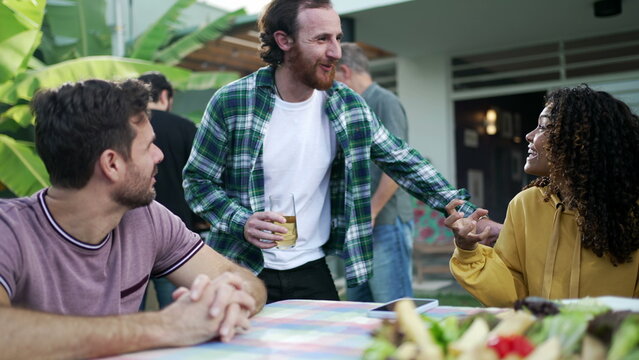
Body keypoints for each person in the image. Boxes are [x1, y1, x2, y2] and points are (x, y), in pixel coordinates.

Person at [183, 0, 499, 304]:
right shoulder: (232, 101)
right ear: (284, 41)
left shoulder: (346, 104)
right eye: (321, 39)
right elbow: (197, 182)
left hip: (310, 266)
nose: (335, 52)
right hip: (238, 264)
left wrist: (468, 213)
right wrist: (242, 221)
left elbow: (404, 161)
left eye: (337, 38)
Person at [0, 79, 267, 359]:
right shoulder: (10, 230)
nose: (159, 155)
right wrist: (167, 325)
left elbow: (244, 281)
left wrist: (226, 298)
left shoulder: (148, 219)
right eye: (149, 145)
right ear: (112, 164)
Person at [445, 85, 639, 307]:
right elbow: (511, 296)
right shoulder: (525, 205)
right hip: (545, 336)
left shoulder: (632, 210)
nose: (529, 136)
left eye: (543, 127)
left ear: (580, 140)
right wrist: (468, 251)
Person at [334, 43, 414, 302]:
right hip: (360, 227)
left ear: (345, 72)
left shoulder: (384, 102)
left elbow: (397, 165)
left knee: (394, 310)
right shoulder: (351, 108)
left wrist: (372, 211)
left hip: (385, 224)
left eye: (331, 75)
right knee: (358, 310)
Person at [137, 71, 203, 309]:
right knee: (177, 309)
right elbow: (200, 181)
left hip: (132, 236)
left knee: (131, 314)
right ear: (165, 96)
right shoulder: (186, 128)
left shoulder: (126, 130)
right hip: (177, 238)